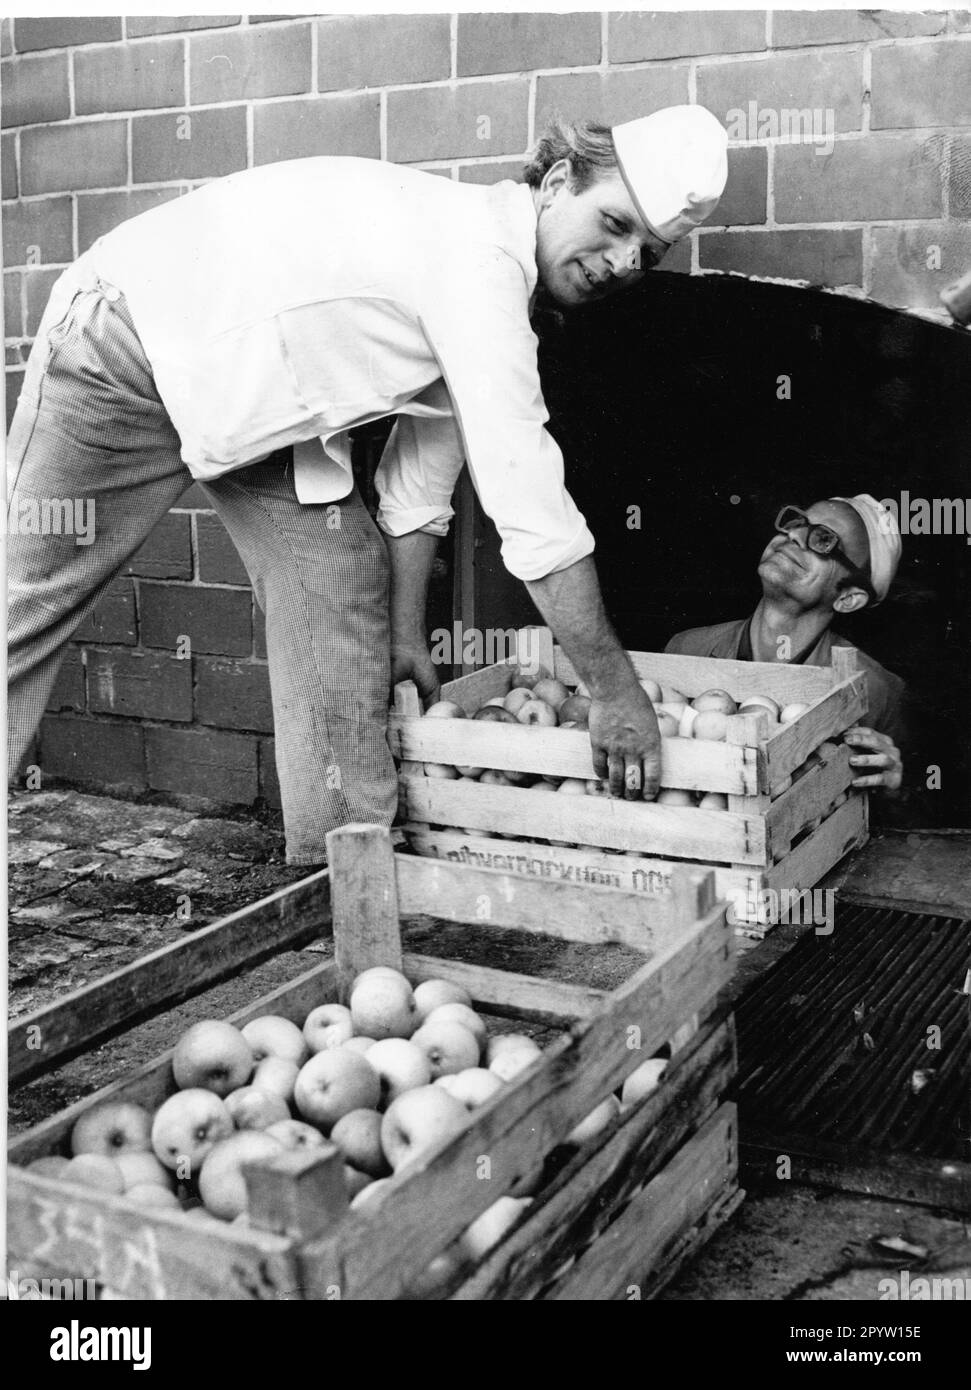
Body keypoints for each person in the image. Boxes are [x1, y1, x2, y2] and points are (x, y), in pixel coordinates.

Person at [6, 104, 728, 864]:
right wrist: (615, 693)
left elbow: (420, 482)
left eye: (645, 252)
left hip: (260, 400)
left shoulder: (497, 297)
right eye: (613, 224)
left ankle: (346, 883)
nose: (621, 263)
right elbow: (532, 511)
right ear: (554, 183)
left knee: (341, 578)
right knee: (26, 602)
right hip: (122, 335)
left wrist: (407, 633)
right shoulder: (477, 263)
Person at [665, 495, 906, 792]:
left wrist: (892, 790)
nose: (793, 536)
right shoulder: (686, 649)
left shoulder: (876, 691)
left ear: (848, 598)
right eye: (796, 523)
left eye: (823, 539)